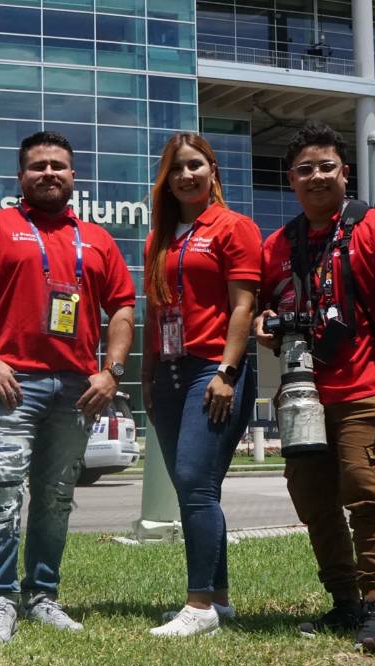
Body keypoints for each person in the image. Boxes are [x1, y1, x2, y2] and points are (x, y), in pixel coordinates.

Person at [0, 131, 136, 645]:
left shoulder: (96, 239)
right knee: (3, 491)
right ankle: (0, 600)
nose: (49, 173)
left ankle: (43, 596)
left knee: (56, 497)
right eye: (38, 166)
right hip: (11, 384)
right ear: (21, 177)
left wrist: (112, 371)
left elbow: (122, 306)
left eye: (58, 165)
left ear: (73, 176)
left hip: (79, 388)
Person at [253, 121, 375, 654]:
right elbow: (269, 310)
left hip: (364, 387)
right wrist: (266, 325)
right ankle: (344, 602)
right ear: (291, 179)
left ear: (345, 172)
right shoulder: (277, 244)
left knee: (367, 498)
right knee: (315, 505)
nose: (316, 176)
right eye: (305, 169)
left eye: (326, 167)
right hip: (303, 394)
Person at [140, 133, 261, 637]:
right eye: (176, 169)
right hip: (166, 372)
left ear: (212, 171)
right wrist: (146, 377)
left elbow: (243, 306)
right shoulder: (160, 237)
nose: (186, 175)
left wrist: (227, 372)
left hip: (212, 370)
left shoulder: (234, 228)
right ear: (165, 180)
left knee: (194, 482)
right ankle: (221, 602)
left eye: (195, 165)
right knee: (197, 488)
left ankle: (199, 607)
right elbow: (156, 311)